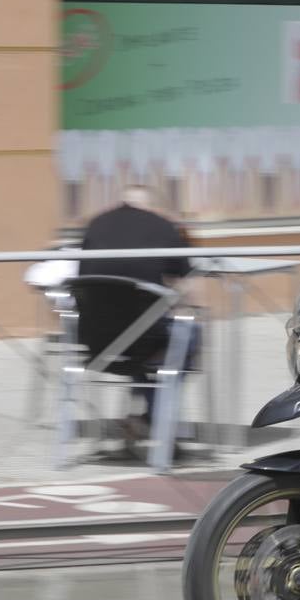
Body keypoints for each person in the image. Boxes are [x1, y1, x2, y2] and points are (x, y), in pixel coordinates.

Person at [77, 185, 198, 446]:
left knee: (136, 335)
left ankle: (145, 416)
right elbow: (184, 282)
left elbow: (81, 276)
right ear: (151, 207)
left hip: (95, 341)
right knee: (187, 333)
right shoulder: (162, 226)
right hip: (144, 338)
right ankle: (160, 417)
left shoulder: (95, 224)